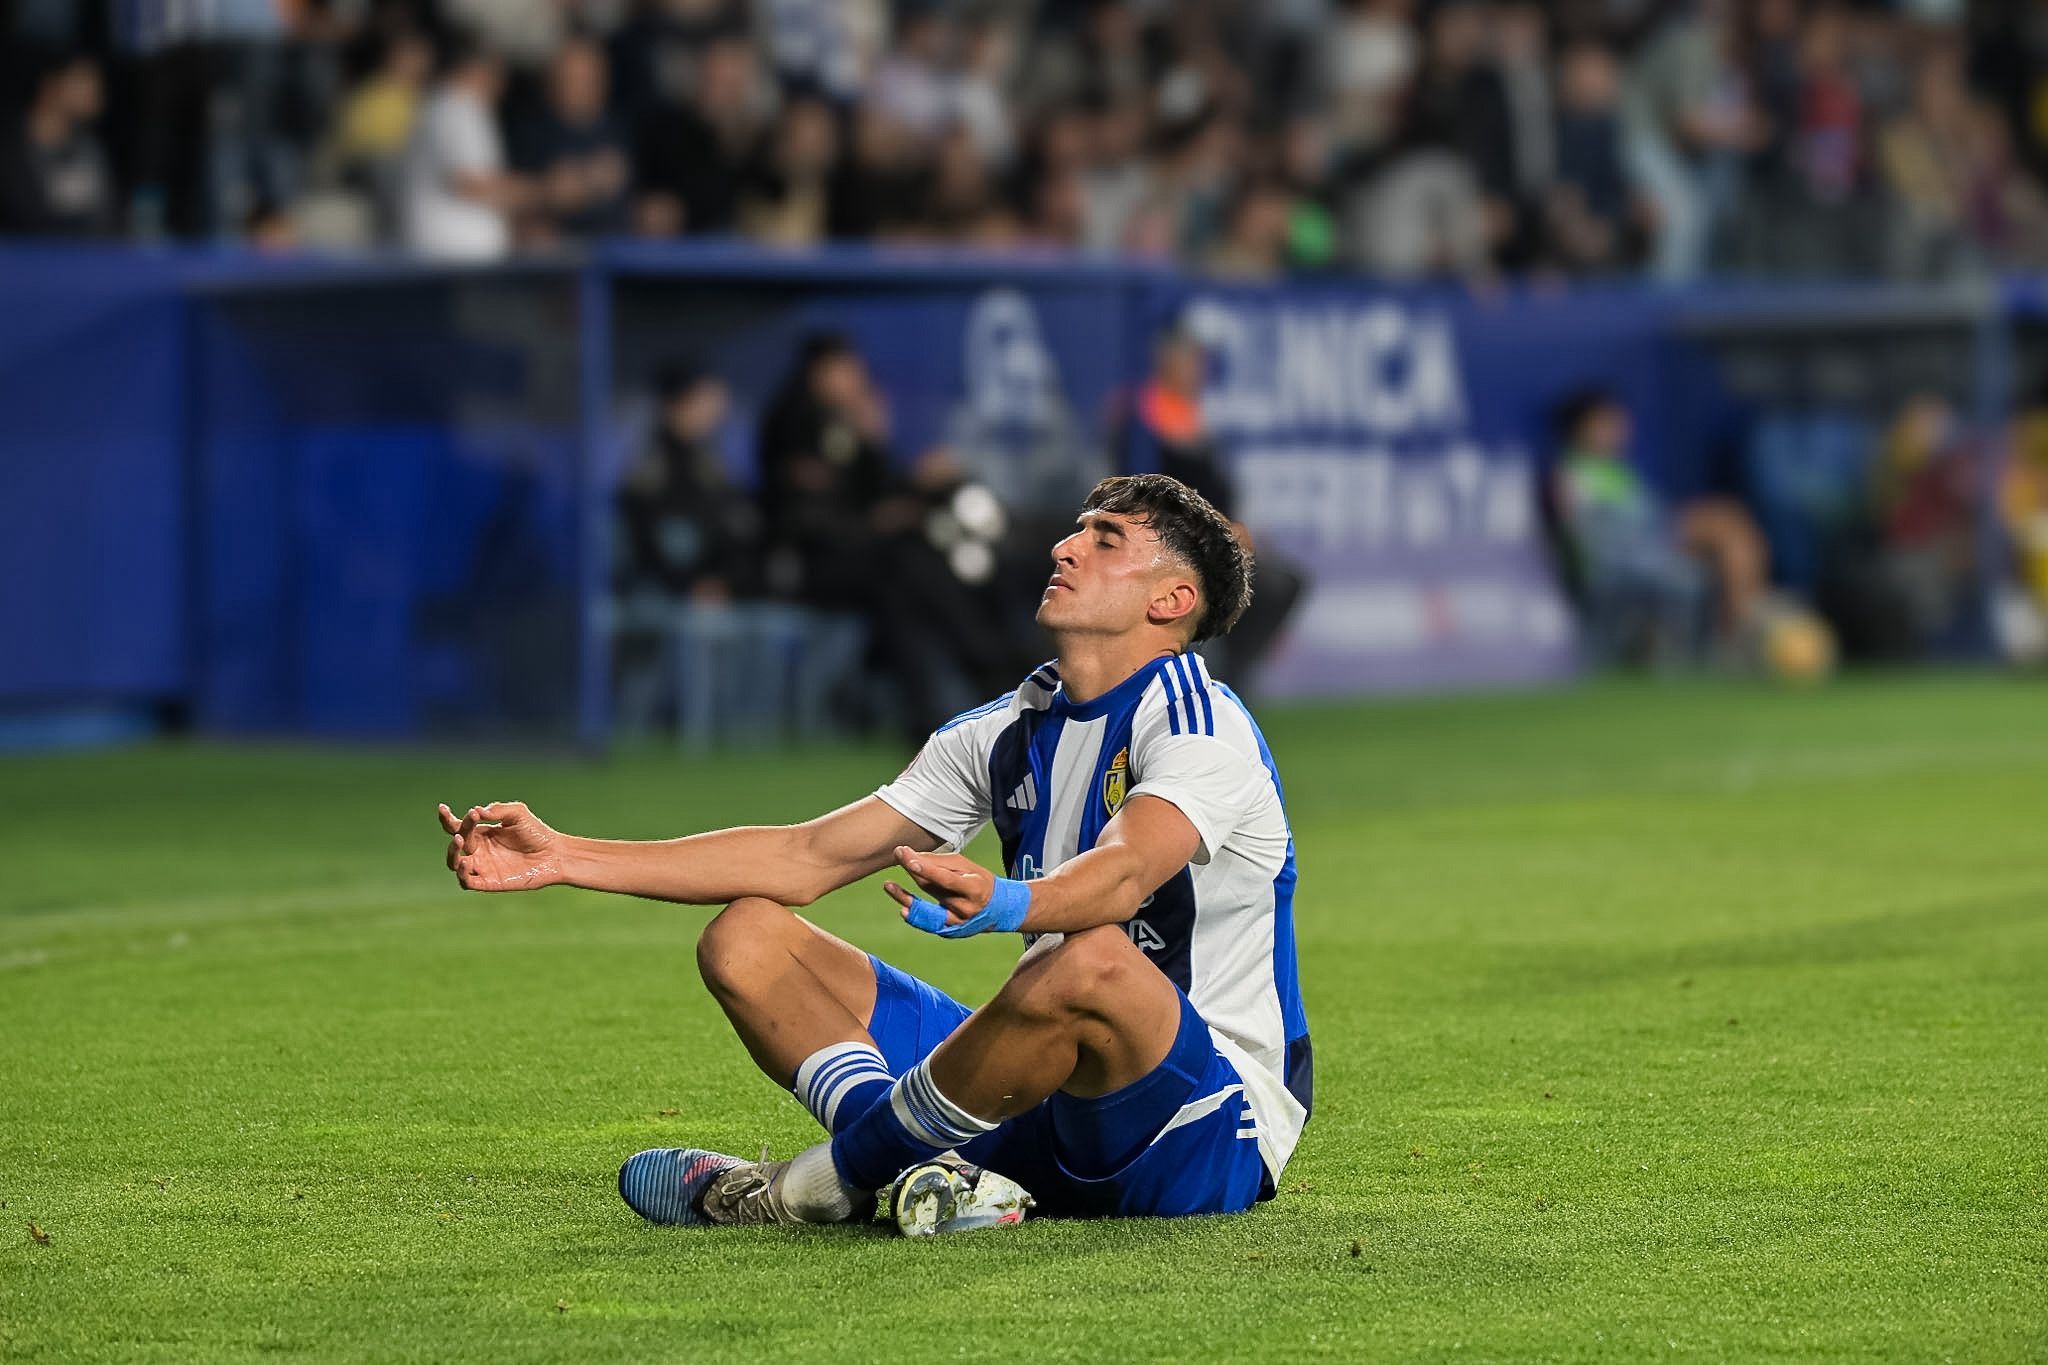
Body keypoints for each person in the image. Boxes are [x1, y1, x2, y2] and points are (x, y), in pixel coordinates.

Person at [437, 473, 1310, 1232]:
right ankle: (931, 1175)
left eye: (1105, 538)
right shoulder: (1006, 730)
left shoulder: (1203, 722)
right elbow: (805, 855)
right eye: (1077, 527)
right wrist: (566, 855)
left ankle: (815, 1184)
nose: (1066, 544)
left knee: (1091, 959)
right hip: (1051, 1100)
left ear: (1170, 601)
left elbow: (1121, 874)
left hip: (1208, 1125)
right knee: (747, 936)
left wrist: (1007, 902)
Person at [1121, 327, 1305, 691]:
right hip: (1175, 543)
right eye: (1190, 360)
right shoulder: (1145, 417)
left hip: (1215, 539)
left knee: (1282, 582)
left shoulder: (1188, 416)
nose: (1198, 370)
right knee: (1258, 585)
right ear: (1166, 364)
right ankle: (1215, 679)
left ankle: (1234, 674)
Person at [397, 37, 526, 260]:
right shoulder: (460, 108)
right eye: (498, 73)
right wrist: (549, 191)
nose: (502, 85)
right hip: (455, 262)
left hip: (448, 258)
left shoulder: (441, 106)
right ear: (479, 70)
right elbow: (474, 186)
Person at [0, 51, 115, 237]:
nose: (95, 89)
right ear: (50, 85)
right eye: (83, 79)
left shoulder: (89, 148)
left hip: (85, 258)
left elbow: (107, 215)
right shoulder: (10, 150)